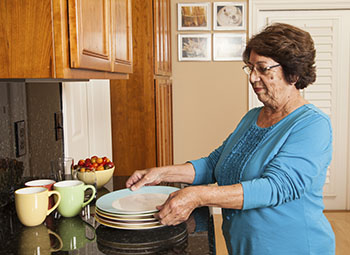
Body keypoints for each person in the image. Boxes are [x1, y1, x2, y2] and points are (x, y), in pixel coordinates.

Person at [126, 23, 335, 255]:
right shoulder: (253, 117)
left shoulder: (312, 124)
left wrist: (198, 196)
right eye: (250, 68)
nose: (253, 77)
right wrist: (161, 173)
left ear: (293, 73)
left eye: (263, 69)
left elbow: (276, 187)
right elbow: (215, 164)